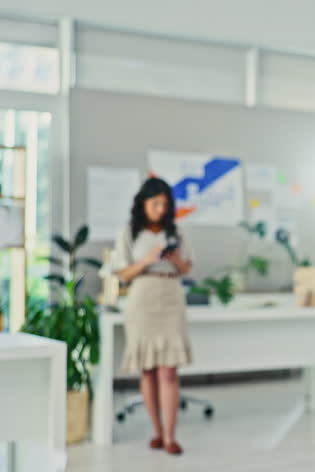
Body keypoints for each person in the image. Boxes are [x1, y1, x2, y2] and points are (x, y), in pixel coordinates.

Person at [109, 177, 193, 455]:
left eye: (164, 204)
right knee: (148, 368)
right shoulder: (130, 233)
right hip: (142, 297)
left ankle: (170, 437)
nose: (160, 209)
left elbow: (187, 269)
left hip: (170, 296)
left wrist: (174, 260)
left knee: (169, 369)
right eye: (155, 203)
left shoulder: (176, 233)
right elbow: (122, 274)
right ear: (143, 204)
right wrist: (146, 260)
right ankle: (156, 431)